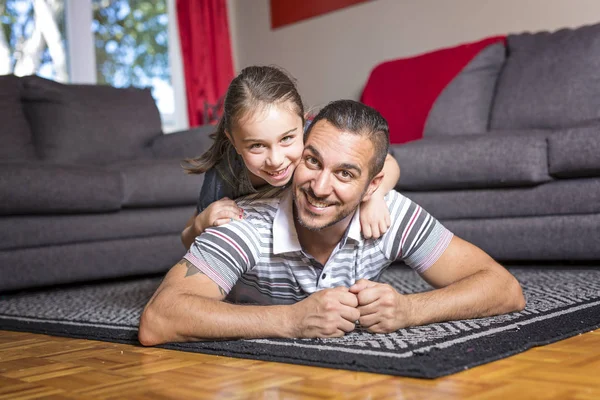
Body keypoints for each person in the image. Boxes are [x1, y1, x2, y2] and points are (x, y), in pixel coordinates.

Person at [138, 100, 525, 345]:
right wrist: (291, 320)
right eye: (312, 162)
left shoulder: (390, 213)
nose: (319, 187)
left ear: (372, 186)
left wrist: (409, 311)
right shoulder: (243, 224)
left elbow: (505, 289)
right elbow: (159, 319)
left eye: (344, 174)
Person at [180, 66, 401, 250]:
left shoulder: (314, 136)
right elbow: (186, 238)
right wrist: (201, 223)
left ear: (303, 122)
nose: (275, 160)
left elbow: (389, 163)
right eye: (257, 145)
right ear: (234, 141)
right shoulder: (223, 175)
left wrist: (375, 196)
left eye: (287, 138)